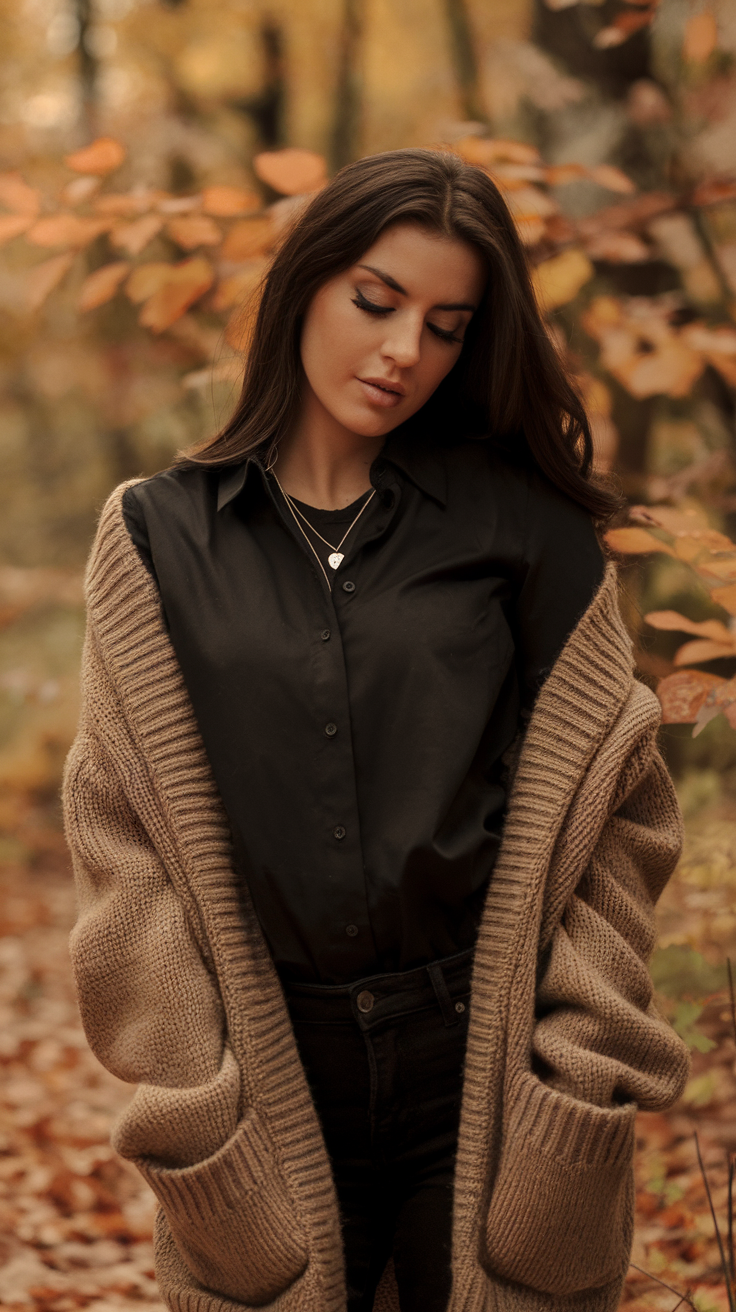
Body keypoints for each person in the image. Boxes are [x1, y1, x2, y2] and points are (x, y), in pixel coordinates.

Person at [63, 148, 689, 1312]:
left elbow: (623, 814)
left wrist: (579, 1074)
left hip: (487, 1069)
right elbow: (123, 848)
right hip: (268, 1072)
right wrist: (199, 1109)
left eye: (448, 325)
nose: (406, 351)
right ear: (304, 283)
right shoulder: (156, 535)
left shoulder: (526, 525)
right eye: (376, 301)